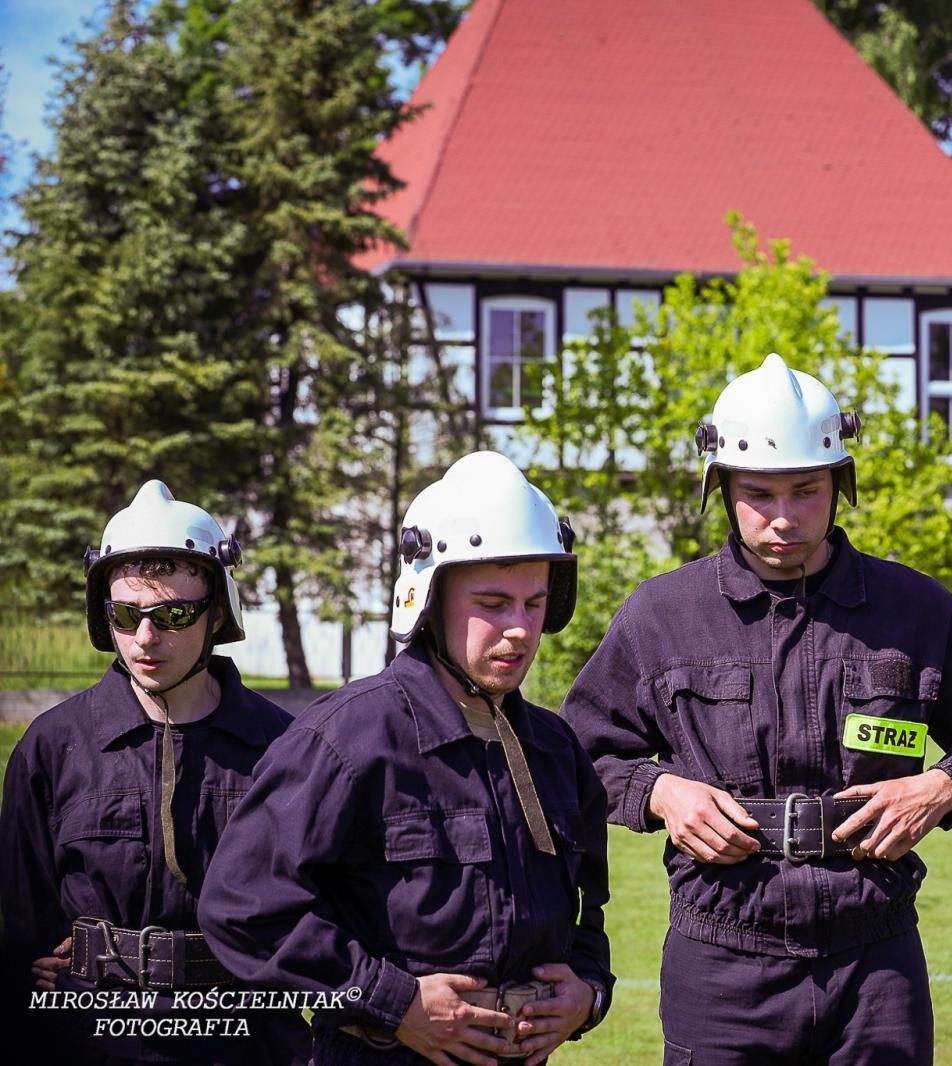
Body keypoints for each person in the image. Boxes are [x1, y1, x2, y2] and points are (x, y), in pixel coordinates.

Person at [562, 352, 952, 1065]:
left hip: (875, 959)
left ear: (840, 483)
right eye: (759, 493)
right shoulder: (662, 615)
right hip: (721, 960)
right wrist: (659, 791)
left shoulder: (916, 611)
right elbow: (576, 755)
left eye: (806, 491)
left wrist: (943, 787)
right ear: (720, 487)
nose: (784, 518)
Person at [197, 451, 613, 1066]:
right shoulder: (346, 740)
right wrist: (394, 1002)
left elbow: (591, 911)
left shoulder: (554, 750)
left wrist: (588, 994)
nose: (521, 629)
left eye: (534, 603)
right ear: (428, 598)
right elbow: (242, 907)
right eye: (493, 603)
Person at [0, 481, 312, 1065]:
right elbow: (18, 928)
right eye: (126, 613)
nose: (146, 637)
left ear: (216, 610)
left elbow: (320, 907)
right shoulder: (53, 746)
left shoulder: (283, 748)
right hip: (84, 1040)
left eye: (171, 613)